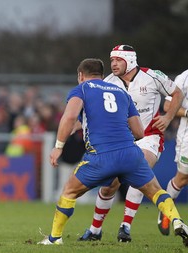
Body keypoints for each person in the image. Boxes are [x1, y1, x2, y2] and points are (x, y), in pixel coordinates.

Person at [37, 58, 188, 247]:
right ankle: (176, 220)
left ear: (80, 76)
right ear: (102, 75)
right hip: (130, 154)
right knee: (156, 191)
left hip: (100, 156)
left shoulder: (82, 89)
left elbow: (69, 117)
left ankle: (54, 238)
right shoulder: (121, 92)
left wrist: (58, 146)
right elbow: (139, 132)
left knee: (69, 192)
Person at [78, 45, 183, 242]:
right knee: (110, 185)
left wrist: (168, 117)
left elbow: (177, 93)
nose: (113, 64)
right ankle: (95, 229)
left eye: (118, 60)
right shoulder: (108, 82)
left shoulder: (152, 76)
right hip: (121, 140)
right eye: (112, 60)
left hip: (149, 136)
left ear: (131, 60)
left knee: (139, 169)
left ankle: (125, 226)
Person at [158, 69, 188, 236]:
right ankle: (166, 209)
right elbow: (168, 106)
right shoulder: (184, 78)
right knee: (182, 178)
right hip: (187, 137)